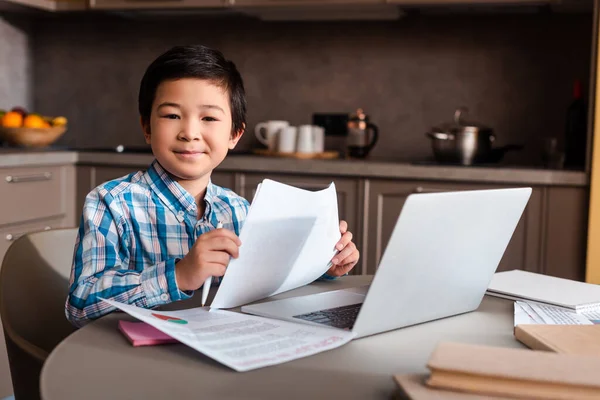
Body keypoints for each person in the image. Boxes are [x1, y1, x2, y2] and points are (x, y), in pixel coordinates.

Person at [65, 45, 360, 328]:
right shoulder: (111, 202)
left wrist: (325, 264)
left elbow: (271, 284)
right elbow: (80, 305)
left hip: (223, 354)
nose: (190, 133)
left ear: (234, 134)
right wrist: (178, 276)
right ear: (146, 127)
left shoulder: (240, 211)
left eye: (208, 118)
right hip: (134, 360)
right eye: (171, 116)